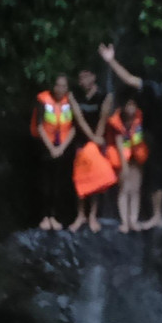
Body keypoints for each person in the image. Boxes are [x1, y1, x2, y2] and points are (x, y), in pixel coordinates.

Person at [99, 44, 162, 235]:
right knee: (156, 179)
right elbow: (129, 79)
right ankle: (157, 215)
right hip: (157, 140)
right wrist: (111, 60)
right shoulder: (156, 87)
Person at [68, 68, 114, 233]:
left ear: (94, 77)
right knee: (80, 178)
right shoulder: (74, 96)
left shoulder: (104, 96)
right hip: (82, 141)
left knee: (95, 178)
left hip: (97, 140)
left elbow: (103, 118)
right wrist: (91, 138)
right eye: (80, 78)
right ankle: (80, 215)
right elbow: (79, 118)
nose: (82, 81)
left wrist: (96, 139)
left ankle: (93, 215)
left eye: (85, 77)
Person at [29, 74, 76, 230]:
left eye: (63, 86)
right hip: (46, 146)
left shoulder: (70, 101)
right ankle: (44, 216)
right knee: (45, 182)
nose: (60, 89)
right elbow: (40, 125)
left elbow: (74, 127)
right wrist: (52, 148)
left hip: (63, 146)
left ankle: (55, 216)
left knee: (59, 183)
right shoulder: (43, 99)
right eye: (58, 85)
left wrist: (61, 148)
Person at [105, 95, 148, 233]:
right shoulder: (118, 121)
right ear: (123, 107)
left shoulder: (139, 119)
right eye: (128, 105)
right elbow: (118, 144)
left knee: (136, 189)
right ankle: (124, 221)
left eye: (133, 105)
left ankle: (133, 220)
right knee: (125, 188)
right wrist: (123, 166)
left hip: (137, 156)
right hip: (123, 157)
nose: (131, 108)